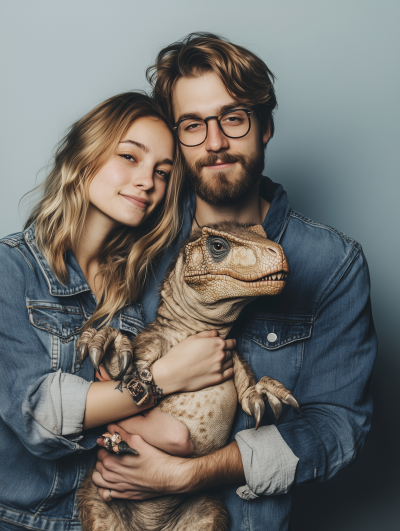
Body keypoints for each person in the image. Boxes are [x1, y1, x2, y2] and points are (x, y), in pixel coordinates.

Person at [92, 34, 378, 531]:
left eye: (233, 118)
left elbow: (336, 428)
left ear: (265, 126)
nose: (216, 142)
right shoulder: (131, 236)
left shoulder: (333, 263)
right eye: (193, 125)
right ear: (175, 137)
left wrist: (187, 475)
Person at [0, 92, 236, 531]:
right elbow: (37, 415)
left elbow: (167, 432)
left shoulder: (139, 291)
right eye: (129, 157)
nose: (147, 181)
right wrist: (165, 378)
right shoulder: (10, 269)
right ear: (84, 155)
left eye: (163, 172)